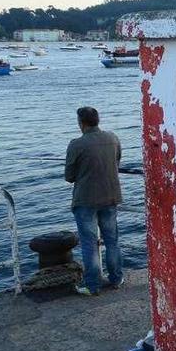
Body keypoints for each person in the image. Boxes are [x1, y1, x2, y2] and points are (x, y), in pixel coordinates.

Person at [65, 107, 124, 296]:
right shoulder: (113, 138)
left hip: (86, 201)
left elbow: (69, 176)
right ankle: (116, 278)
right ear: (97, 120)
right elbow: (117, 161)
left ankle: (93, 286)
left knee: (90, 244)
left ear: (81, 123)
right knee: (112, 241)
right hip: (110, 197)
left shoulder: (76, 144)